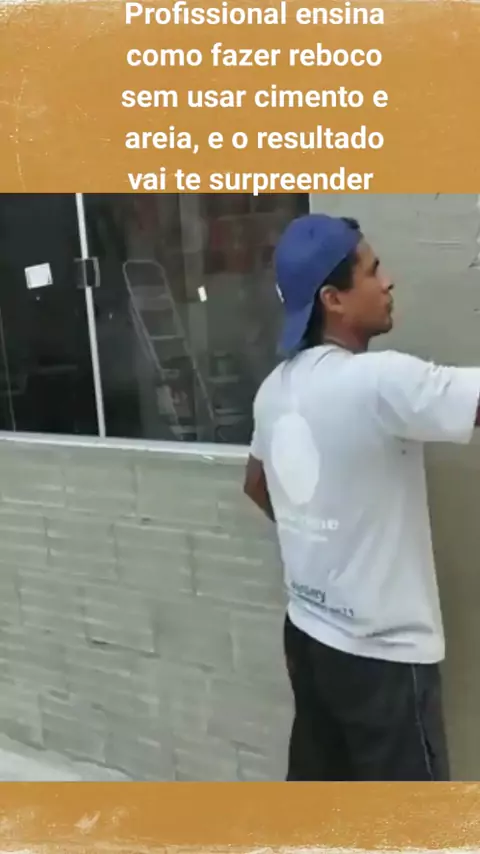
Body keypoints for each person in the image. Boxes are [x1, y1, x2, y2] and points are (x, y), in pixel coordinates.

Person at [243, 212, 480, 782]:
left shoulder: (273, 390)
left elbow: (256, 483)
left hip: (308, 634)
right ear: (333, 299)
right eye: (373, 271)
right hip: (383, 659)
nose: (388, 280)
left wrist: (317, 531)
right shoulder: (377, 381)